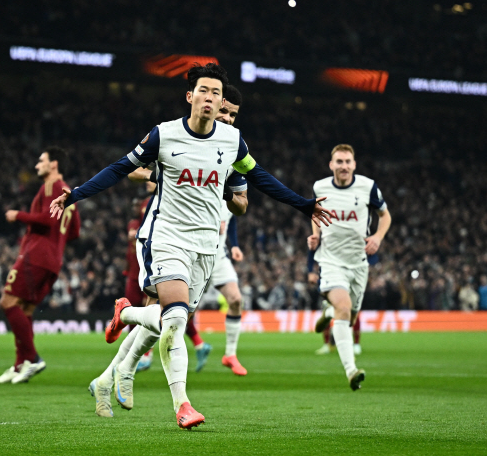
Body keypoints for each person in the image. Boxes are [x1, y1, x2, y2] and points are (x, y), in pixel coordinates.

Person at [50, 63, 331, 428]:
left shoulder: (233, 142)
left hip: (206, 248)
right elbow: (121, 168)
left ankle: (128, 314)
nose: (210, 98)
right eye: (204, 90)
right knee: (176, 317)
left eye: (216, 92)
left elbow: (258, 177)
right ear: (190, 96)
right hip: (168, 239)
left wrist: (303, 204)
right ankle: (182, 405)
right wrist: (75, 195)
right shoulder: (163, 136)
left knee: (172, 324)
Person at [132, 85, 249, 375]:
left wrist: (233, 239)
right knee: (162, 306)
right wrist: (156, 175)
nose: (228, 118)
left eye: (233, 114)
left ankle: (227, 353)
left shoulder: (233, 149)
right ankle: (131, 363)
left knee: (193, 309)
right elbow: (131, 168)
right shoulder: (177, 138)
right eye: (224, 111)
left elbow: (236, 210)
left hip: (211, 246)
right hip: (169, 237)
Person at [0, 147, 80, 385]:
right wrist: (55, 243)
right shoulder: (71, 193)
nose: (37, 165)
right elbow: (75, 231)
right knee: (26, 309)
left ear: (54, 164)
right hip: (54, 260)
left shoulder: (51, 186)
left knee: (7, 302)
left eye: (41, 160)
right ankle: (21, 365)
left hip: (37, 255)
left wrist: (18, 215)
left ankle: (33, 357)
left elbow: (47, 219)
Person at [307, 144, 391, 391]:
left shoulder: (368, 187)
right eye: (339, 161)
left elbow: (385, 216)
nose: (343, 166)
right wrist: (315, 235)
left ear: (354, 165)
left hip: (358, 264)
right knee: (344, 307)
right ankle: (351, 370)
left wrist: (377, 237)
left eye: (348, 162)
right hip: (331, 261)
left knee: (349, 315)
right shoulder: (320, 187)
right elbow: (315, 213)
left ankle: (330, 314)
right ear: (331, 164)